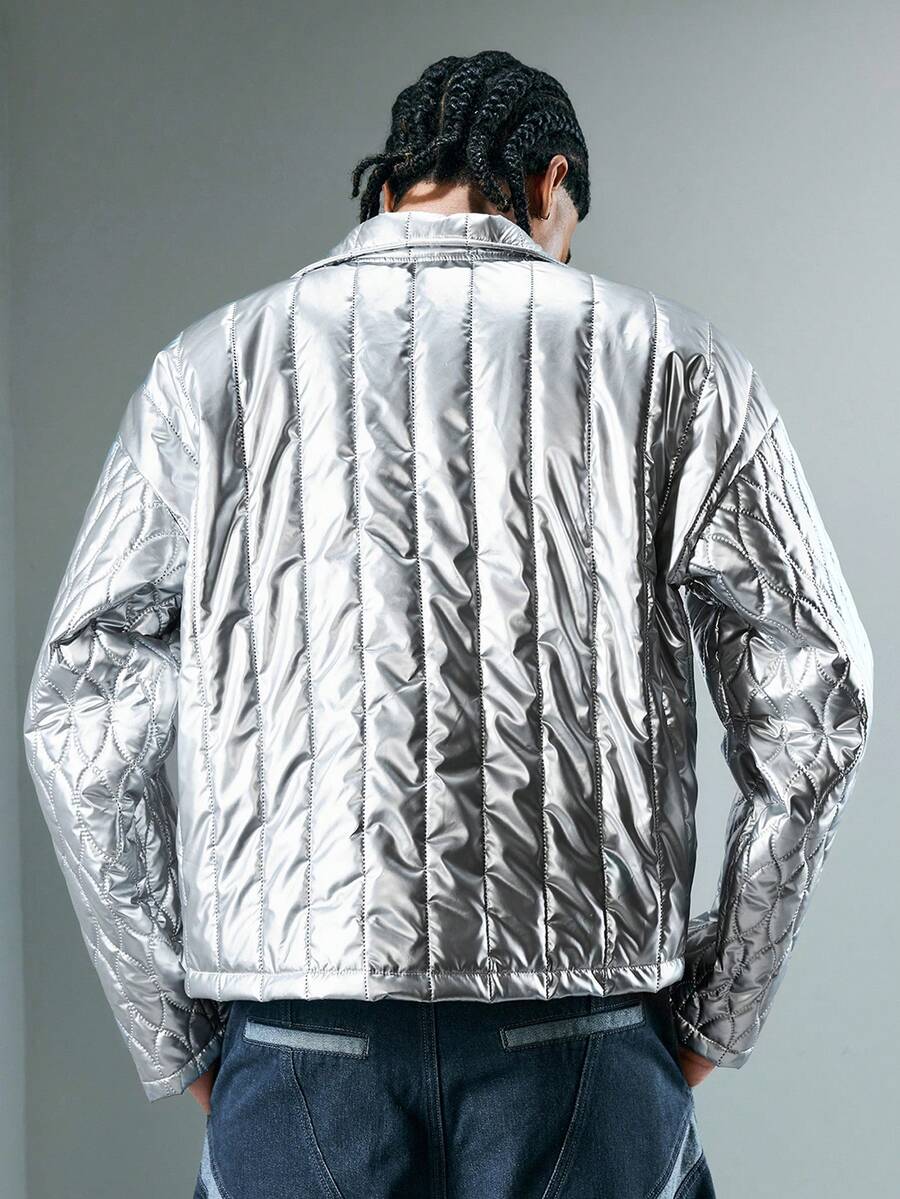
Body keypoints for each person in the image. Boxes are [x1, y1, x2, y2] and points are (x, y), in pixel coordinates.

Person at [23, 49, 873, 1199]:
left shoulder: (205, 371)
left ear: (388, 188)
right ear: (553, 182)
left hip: (298, 1039)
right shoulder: (674, 360)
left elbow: (81, 713)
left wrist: (169, 1028)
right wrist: (722, 1007)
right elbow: (817, 694)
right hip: (580, 1034)